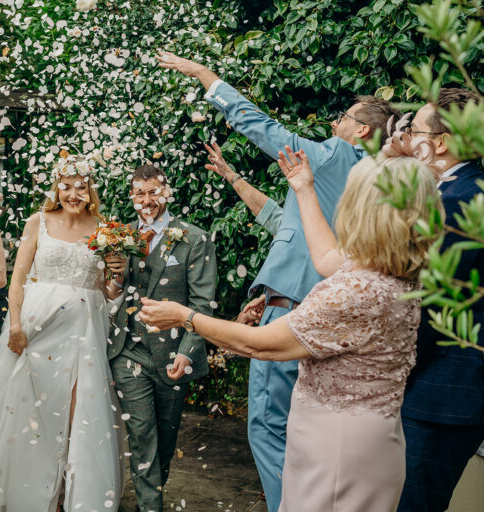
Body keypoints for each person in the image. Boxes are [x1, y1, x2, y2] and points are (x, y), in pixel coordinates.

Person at [156, 50, 401, 511]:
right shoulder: (374, 181)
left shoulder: (333, 155)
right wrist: (233, 178)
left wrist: (207, 77)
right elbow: (285, 223)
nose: (334, 125)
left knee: (268, 427)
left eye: (343, 118)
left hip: (294, 313)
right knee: (301, 427)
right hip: (330, 316)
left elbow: (266, 130)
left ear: (362, 131)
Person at [140, 145, 443, 511]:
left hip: (339, 450)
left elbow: (261, 345)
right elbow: (326, 256)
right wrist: (304, 190)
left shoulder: (356, 292)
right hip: (360, 437)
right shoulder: (390, 272)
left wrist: (186, 316)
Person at [0, 155, 123, 512]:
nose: (72, 193)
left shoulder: (103, 228)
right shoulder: (38, 222)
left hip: (84, 333)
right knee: (30, 411)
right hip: (37, 331)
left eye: (80, 187)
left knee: (77, 413)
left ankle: (70, 495)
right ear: (56, 187)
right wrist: (16, 325)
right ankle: (29, 493)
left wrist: (118, 275)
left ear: (90, 189)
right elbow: (18, 279)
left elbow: (108, 290)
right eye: (65, 186)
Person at [103, 164, 216, 512]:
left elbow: (203, 302)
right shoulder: (119, 238)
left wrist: (187, 352)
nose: (147, 200)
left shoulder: (194, 238)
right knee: (141, 433)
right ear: (131, 196)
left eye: (154, 192)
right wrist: (117, 278)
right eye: (140, 192)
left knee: (166, 436)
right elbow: (110, 295)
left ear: (166, 193)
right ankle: (150, 507)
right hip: (128, 351)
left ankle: (149, 497)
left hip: (172, 355)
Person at [397, 88, 484, 512]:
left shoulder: (457, 203)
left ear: (441, 142)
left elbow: (432, 306)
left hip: (439, 394)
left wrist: (390, 367)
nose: (405, 139)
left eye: (412, 130)